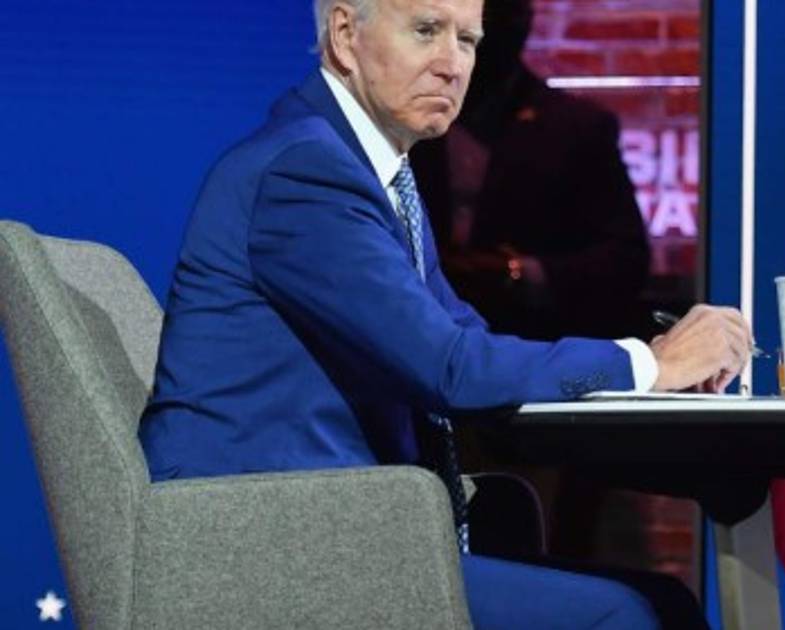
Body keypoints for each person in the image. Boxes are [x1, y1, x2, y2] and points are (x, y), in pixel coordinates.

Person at [137, 0, 750, 628]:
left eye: (467, 40)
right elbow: (449, 368)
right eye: (426, 31)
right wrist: (651, 363)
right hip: (260, 543)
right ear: (345, 35)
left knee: (666, 604)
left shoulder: (373, 169)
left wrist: (644, 372)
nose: (452, 65)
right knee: (621, 616)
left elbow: (466, 336)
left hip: (341, 524)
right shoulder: (307, 172)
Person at [410, 0, 652, 342]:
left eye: (484, 25)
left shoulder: (576, 127)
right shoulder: (408, 118)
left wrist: (519, 273)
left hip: (536, 340)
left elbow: (625, 260)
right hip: (421, 335)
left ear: (522, 24)